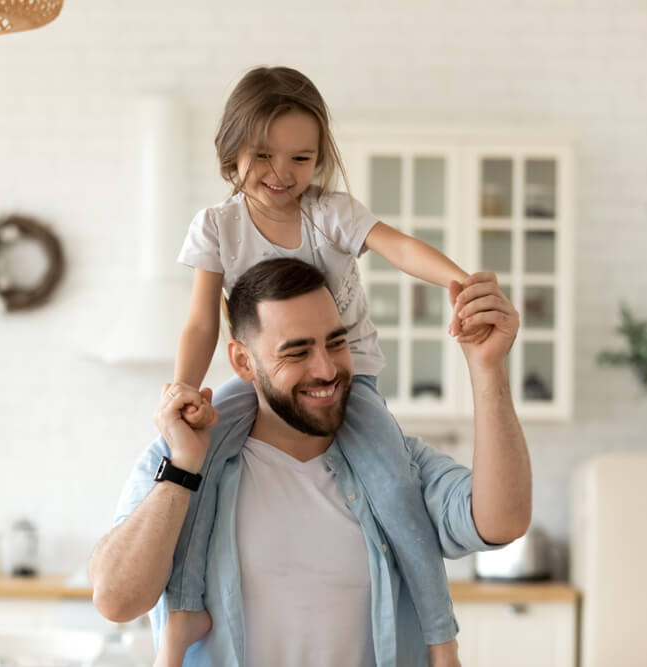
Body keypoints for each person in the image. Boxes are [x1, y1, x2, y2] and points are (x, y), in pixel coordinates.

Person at [164, 65, 489, 667]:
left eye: (301, 158)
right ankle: (182, 620)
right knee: (190, 472)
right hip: (258, 384)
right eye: (264, 155)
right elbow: (202, 322)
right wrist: (185, 389)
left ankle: (442, 639)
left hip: (348, 382)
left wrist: (459, 281)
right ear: (230, 151)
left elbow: (399, 246)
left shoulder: (330, 213)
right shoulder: (217, 227)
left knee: (396, 493)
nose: (282, 174)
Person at [89, 258, 532, 667]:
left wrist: (488, 368)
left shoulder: (394, 464)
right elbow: (116, 599)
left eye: (335, 343)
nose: (325, 369)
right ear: (244, 361)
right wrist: (183, 467)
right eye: (297, 352)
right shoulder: (182, 461)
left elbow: (501, 522)